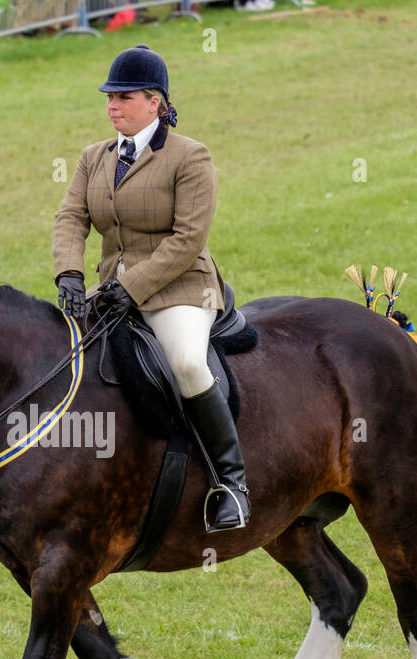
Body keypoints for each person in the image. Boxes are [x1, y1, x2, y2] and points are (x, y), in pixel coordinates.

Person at [52, 44, 249, 532]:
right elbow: (71, 217)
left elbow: (189, 239)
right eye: (109, 97)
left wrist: (132, 286)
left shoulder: (190, 156)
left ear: (155, 102)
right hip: (111, 290)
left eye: (124, 96)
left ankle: (232, 482)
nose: (112, 105)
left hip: (181, 288)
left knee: (185, 362)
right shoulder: (93, 157)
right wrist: (70, 275)